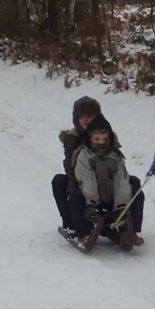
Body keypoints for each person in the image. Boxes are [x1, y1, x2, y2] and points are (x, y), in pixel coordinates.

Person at [68, 116, 145, 251]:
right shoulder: (84, 155)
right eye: (96, 139)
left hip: (111, 197)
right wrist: (91, 203)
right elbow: (86, 180)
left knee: (135, 185)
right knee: (76, 196)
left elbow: (121, 180)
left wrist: (121, 205)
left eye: (104, 139)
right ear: (90, 139)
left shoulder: (115, 156)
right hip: (90, 198)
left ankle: (128, 232)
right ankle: (83, 233)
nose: (100, 143)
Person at [52, 95, 102, 236]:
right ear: (77, 118)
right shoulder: (72, 138)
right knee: (60, 182)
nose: (85, 119)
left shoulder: (105, 135)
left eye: (89, 116)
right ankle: (72, 226)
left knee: (134, 183)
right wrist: (77, 183)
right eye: (82, 116)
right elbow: (69, 165)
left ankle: (128, 231)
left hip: (104, 181)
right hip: (79, 179)